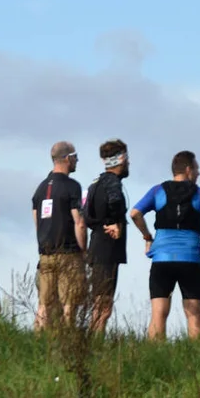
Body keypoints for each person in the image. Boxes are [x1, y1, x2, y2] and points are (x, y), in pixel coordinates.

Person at [130, 150, 200, 341]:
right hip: (191, 259)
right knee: (194, 316)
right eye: (196, 169)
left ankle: (155, 359)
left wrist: (148, 237)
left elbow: (135, 213)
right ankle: (196, 358)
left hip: (162, 259)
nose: (198, 174)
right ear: (188, 170)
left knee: (158, 315)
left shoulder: (158, 191)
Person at [31, 141, 87, 331]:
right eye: (75, 157)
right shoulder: (72, 187)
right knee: (69, 303)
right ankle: (67, 339)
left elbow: (36, 220)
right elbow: (78, 221)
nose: (77, 161)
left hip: (45, 253)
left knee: (44, 304)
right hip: (68, 253)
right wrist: (83, 249)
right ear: (67, 158)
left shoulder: (40, 188)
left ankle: (38, 340)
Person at [83, 139, 130, 334]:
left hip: (96, 246)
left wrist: (99, 224)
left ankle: (94, 340)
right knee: (103, 304)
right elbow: (116, 201)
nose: (128, 163)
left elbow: (85, 214)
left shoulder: (95, 183)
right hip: (107, 249)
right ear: (119, 159)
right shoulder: (112, 182)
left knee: (100, 301)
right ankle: (95, 342)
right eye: (127, 159)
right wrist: (114, 222)